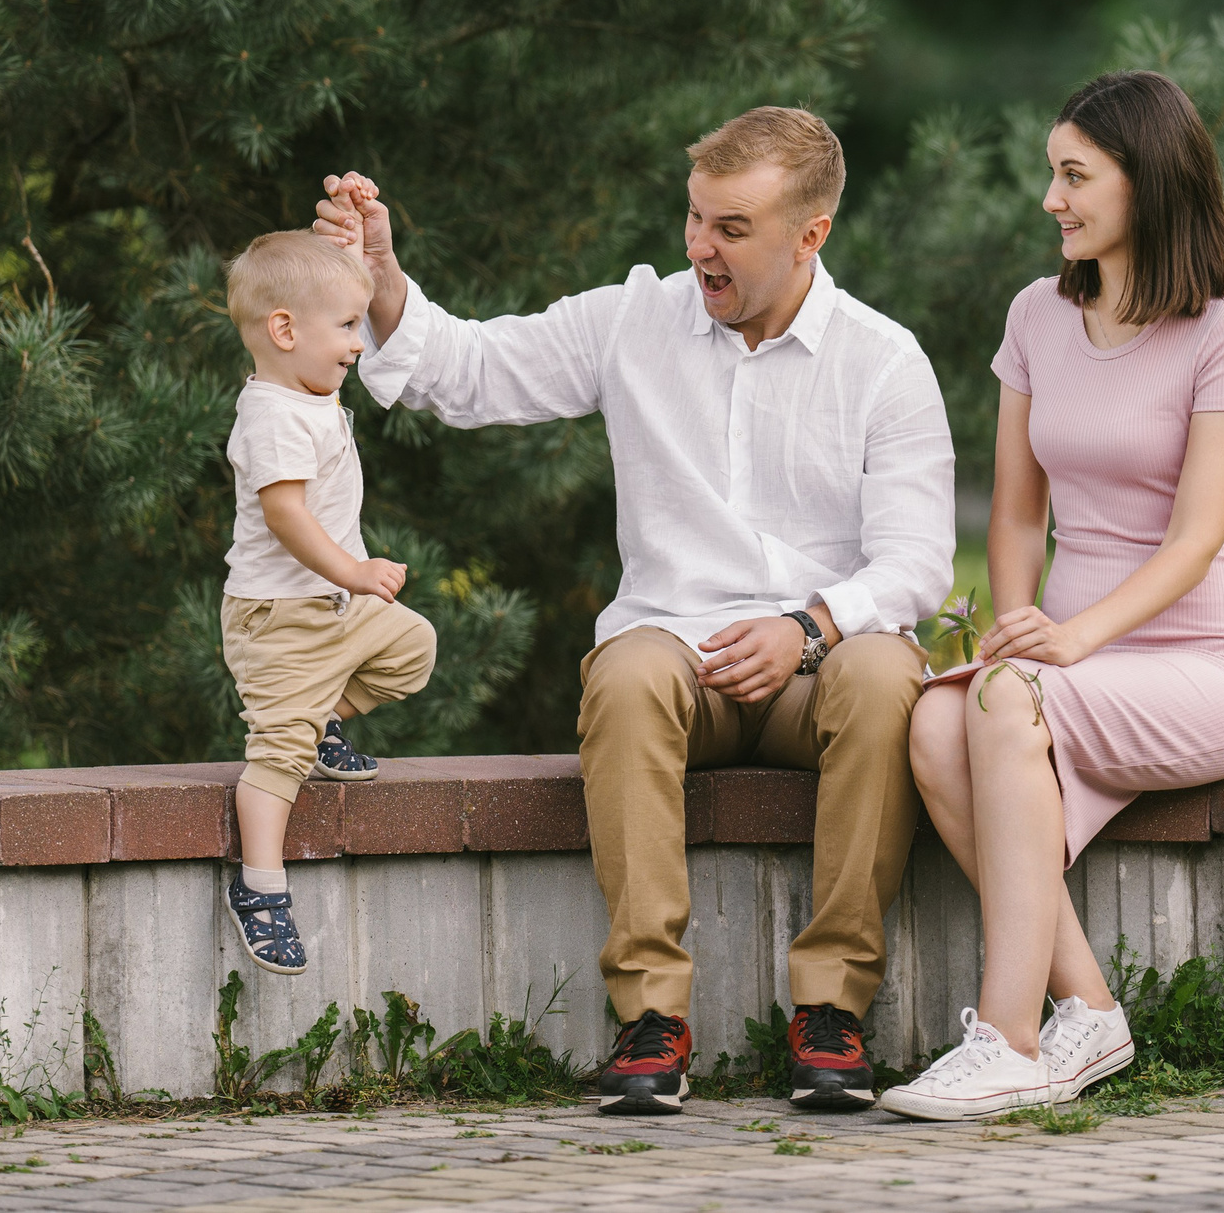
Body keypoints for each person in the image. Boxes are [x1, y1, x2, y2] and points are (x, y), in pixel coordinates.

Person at [314, 107, 954, 1116]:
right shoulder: (632, 320)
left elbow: (918, 561)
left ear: (810, 235)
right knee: (622, 670)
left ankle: (830, 1012)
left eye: (731, 228)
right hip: (675, 663)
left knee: (886, 674)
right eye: (695, 219)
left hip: (817, 669)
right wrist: (384, 282)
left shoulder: (882, 360)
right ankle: (651, 1021)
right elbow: (471, 371)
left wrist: (809, 629)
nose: (700, 247)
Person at [877, 70, 1224, 1122]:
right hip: (1071, 658)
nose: (1049, 199)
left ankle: (1008, 1038)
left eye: (1073, 175)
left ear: (1145, 184)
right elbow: (1015, 516)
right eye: (1049, 174)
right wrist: (1019, 634)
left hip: (1203, 667)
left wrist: (1066, 642)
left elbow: (1196, 541)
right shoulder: (1036, 317)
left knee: (998, 698)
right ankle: (1088, 1009)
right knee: (934, 719)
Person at [217, 230, 438, 977]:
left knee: (412, 647)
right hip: (280, 619)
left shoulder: (309, 392)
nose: (356, 342)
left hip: (333, 607)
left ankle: (324, 722)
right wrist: (353, 568)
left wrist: (346, 245)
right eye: (346, 327)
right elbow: (286, 515)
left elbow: (317, 284)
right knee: (274, 757)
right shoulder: (272, 414)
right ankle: (261, 887)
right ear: (284, 331)